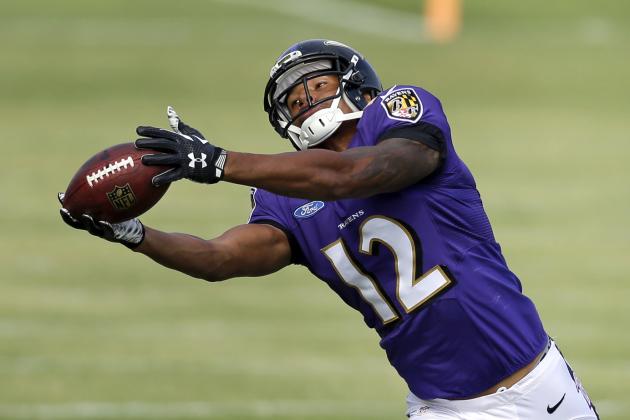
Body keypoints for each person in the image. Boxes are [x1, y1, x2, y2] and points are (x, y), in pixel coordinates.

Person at [59, 39, 599, 419]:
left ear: (355, 83)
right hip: (446, 408)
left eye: (317, 85)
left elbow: (355, 175)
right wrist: (136, 235)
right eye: (295, 101)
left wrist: (220, 162)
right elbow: (219, 258)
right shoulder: (282, 198)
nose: (308, 102)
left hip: (541, 380)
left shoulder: (398, 115)